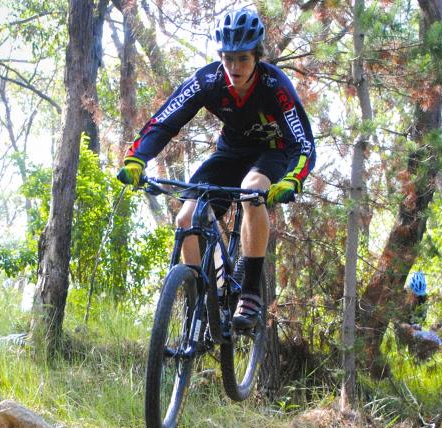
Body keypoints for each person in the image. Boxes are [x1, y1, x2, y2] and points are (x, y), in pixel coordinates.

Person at [116, 8, 316, 330]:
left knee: (252, 190)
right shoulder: (208, 80)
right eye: (227, 58)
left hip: (272, 153)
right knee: (186, 218)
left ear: (257, 57)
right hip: (230, 152)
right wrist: (138, 157)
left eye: (243, 59)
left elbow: (302, 143)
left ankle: (250, 293)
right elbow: (166, 119)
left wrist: (294, 178)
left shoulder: (274, 86)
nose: (234, 68)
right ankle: (199, 308)